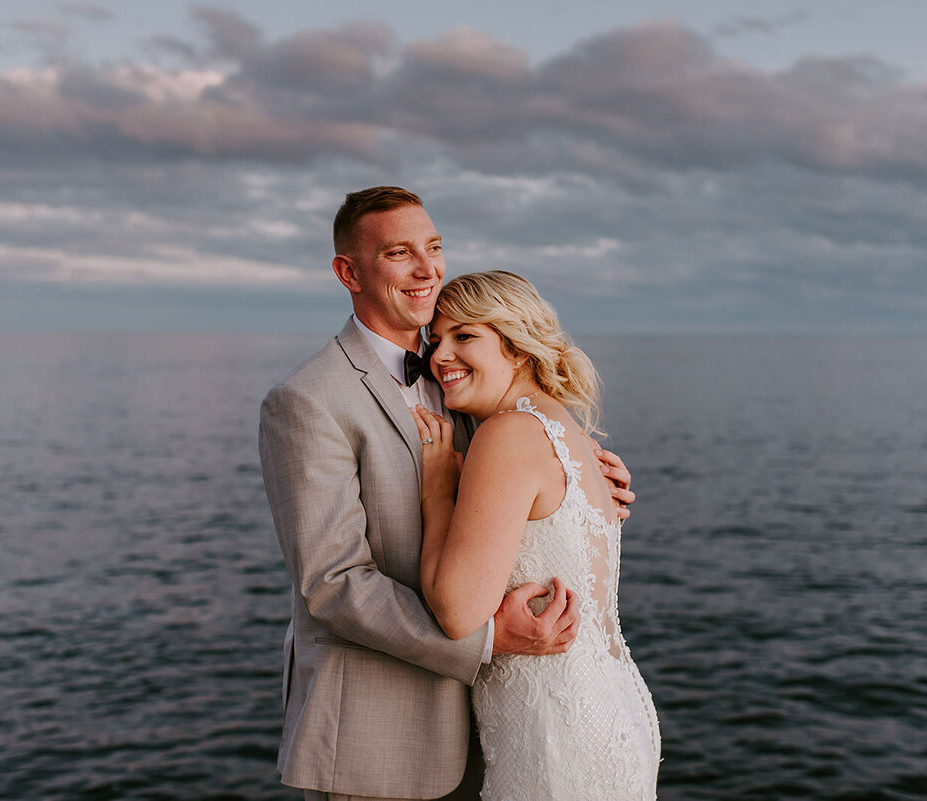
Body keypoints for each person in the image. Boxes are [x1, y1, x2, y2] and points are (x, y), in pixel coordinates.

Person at [258, 187, 636, 801]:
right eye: (399, 253)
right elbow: (331, 584)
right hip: (379, 745)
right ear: (348, 272)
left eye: (434, 248)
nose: (428, 268)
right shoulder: (308, 401)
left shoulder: (461, 374)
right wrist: (490, 639)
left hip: (502, 736)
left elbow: (520, 479)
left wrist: (587, 482)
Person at [414, 270, 661, 800]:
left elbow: (458, 613)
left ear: (519, 349)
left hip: (557, 732)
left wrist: (438, 493)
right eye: (436, 339)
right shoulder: (572, 434)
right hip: (615, 711)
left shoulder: (508, 435)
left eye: (464, 336)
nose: (440, 356)